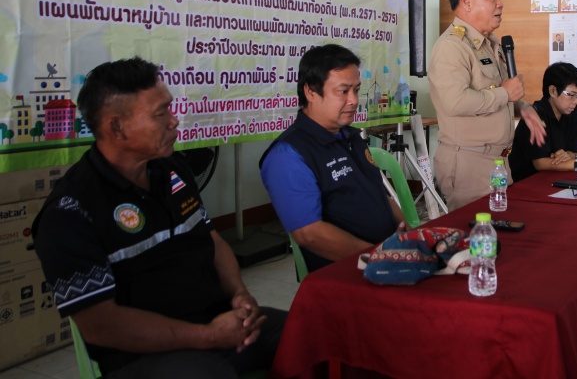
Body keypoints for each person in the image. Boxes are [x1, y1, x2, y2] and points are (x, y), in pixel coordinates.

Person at [32, 57, 284, 379]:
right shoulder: (71, 211)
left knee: (308, 331)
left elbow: (212, 240)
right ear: (116, 127)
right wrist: (207, 336)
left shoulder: (174, 171)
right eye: (161, 113)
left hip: (216, 322)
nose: (174, 121)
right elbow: (100, 325)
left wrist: (238, 293)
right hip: (142, 355)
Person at [259, 44, 404, 272]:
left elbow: (380, 195)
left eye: (356, 90)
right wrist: (378, 256)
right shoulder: (288, 155)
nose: (353, 100)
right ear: (310, 92)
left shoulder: (351, 136)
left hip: (391, 257)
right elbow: (309, 234)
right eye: (343, 91)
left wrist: (409, 234)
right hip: (349, 272)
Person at [429, 0, 546, 210]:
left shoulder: (490, 44)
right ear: (466, 1)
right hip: (468, 164)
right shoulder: (452, 47)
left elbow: (495, 94)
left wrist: (521, 107)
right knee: (476, 229)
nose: (500, 3)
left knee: (500, 228)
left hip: (498, 162)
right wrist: (506, 94)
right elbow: (456, 102)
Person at [509, 62, 577, 181]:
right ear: (553, 91)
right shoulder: (534, 115)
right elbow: (540, 163)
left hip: (556, 178)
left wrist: (568, 155)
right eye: (571, 95)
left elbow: (575, 152)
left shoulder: (574, 112)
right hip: (526, 181)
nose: (576, 101)